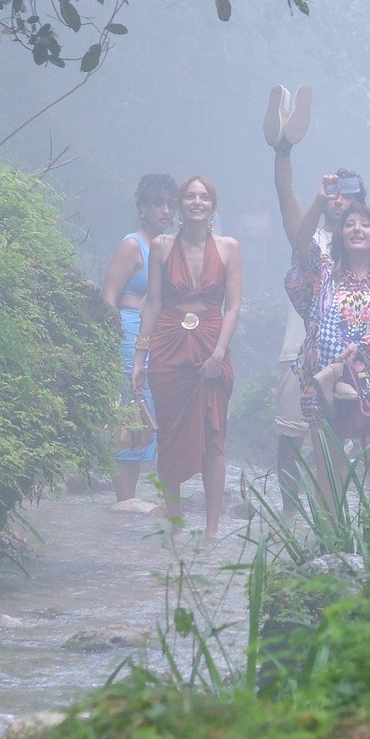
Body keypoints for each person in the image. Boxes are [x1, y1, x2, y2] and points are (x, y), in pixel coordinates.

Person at [271, 103, 370, 510]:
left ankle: (352, 523)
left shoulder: (363, 242)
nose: (340, 202)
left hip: (357, 358)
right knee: (291, 435)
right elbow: (286, 201)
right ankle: (291, 516)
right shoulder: (312, 243)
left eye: (349, 197)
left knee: (350, 444)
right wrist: (282, 151)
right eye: (334, 195)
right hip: (301, 351)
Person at [286, 178, 370, 494]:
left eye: (365, 224)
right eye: (350, 224)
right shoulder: (323, 273)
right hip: (325, 383)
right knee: (330, 471)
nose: (357, 229)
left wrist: (363, 347)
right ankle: (331, 527)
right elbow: (300, 243)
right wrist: (318, 201)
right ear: (340, 234)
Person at [131, 176, 243, 538]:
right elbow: (152, 304)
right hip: (168, 345)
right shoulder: (161, 246)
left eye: (204, 197)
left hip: (212, 342)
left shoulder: (229, 248)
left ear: (213, 205)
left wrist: (219, 354)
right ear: (180, 204)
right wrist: (139, 358)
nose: (197, 202)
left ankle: (212, 530)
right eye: (190, 196)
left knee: (214, 437)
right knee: (169, 435)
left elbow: (233, 306)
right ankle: (176, 526)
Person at [101, 173, 177, 503]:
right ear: (142, 207)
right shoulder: (132, 245)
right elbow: (109, 298)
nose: (165, 211)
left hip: (159, 338)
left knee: (148, 417)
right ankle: (124, 502)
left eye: (170, 204)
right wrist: (113, 342)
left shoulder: (171, 247)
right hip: (130, 335)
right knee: (131, 413)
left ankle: (131, 501)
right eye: (158, 204)